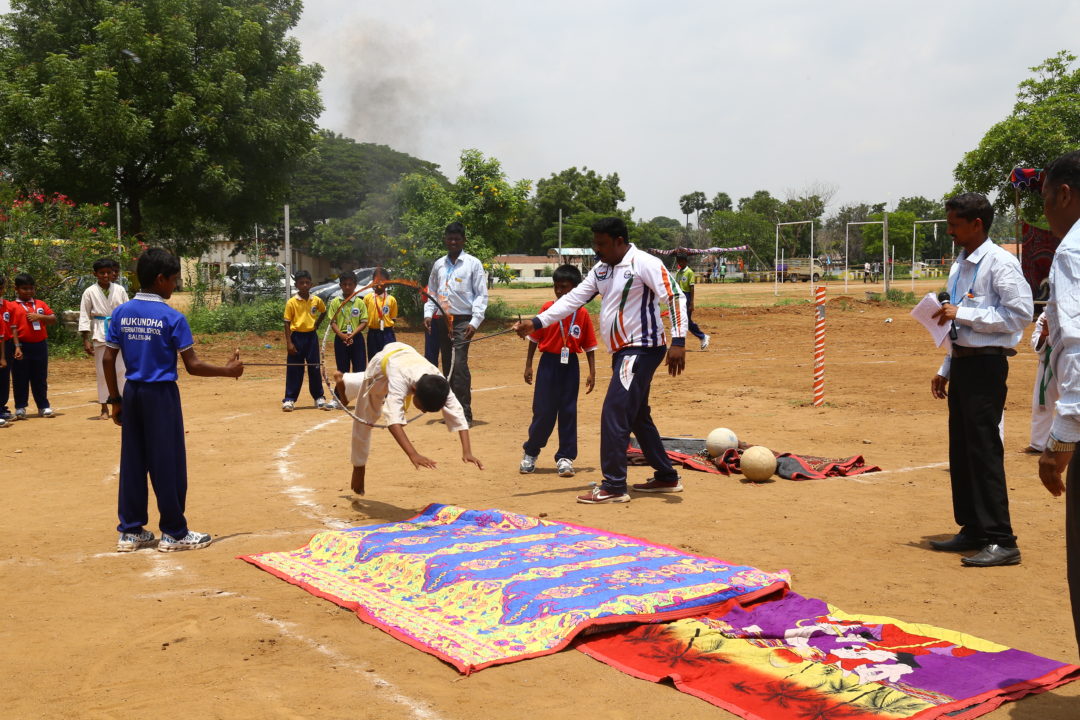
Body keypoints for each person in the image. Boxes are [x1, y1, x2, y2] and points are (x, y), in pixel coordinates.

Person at [513, 216, 688, 504]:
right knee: (637, 416)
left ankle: (615, 485)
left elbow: (674, 297)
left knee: (614, 412)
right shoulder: (602, 269)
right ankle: (666, 477)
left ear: (620, 241)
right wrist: (537, 322)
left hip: (641, 349)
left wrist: (679, 341)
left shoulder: (644, 263)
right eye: (595, 243)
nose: (597, 249)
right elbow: (572, 300)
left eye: (602, 244)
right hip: (622, 352)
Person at [103, 248, 244, 552]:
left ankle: (130, 531)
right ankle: (174, 532)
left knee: (133, 462)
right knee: (168, 463)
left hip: (132, 392)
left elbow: (108, 358)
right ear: (160, 279)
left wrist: (115, 399)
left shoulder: (121, 313)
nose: (176, 285)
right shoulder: (172, 317)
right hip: (161, 396)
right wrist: (228, 371)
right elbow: (192, 366)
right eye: (174, 280)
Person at [929, 192, 1033, 567]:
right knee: (962, 448)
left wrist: (966, 312)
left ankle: (1002, 539)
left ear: (977, 224)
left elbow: (1019, 314)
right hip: (964, 363)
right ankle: (972, 527)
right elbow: (954, 319)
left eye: (955, 224)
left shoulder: (1000, 263)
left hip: (988, 366)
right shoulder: (959, 264)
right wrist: (947, 367)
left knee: (985, 450)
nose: (950, 232)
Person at [332, 341, 483, 495]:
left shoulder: (438, 383)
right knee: (366, 416)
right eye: (423, 407)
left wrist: (467, 451)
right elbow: (393, 422)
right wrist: (413, 454)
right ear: (413, 390)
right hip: (384, 362)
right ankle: (358, 467)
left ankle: (346, 381)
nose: (423, 411)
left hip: (406, 355)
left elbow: (457, 412)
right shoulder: (400, 380)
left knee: (373, 386)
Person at [1036, 149, 1080, 651]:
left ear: (1064, 194)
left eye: (1046, 202)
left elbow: (1079, 350)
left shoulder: (1073, 249)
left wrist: (1062, 439)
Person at [520, 264, 598, 478]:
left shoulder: (582, 314)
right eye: (556, 287)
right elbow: (534, 338)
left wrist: (592, 372)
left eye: (564, 287)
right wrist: (529, 364)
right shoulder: (547, 309)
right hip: (548, 365)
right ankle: (531, 453)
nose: (559, 291)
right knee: (543, 411)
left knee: (568, 412)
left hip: (570, 366)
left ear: (575, 289)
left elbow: (590, 346)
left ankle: (565, 457)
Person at [424, 221, 488, 426]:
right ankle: (451, 412)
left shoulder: (472, 264)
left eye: (457, 239)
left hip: (463, 322)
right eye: (450, 238)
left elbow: (481, 294)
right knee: (448, 366)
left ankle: (465, 414)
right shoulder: (439, 264)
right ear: (445, 239)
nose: (453, 242)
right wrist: (428, 314)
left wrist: (475, 321)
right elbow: (431, 292)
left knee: (459, 365)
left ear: (463, 240)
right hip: (443, 320)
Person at [79, 258, 129, 420]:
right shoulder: (89, 292)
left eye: (109, 272)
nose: (106, 275)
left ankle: (123, 404)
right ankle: (104, 407)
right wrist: (85, 339)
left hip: (119, 332)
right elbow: (84, 315)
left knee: (121, 371)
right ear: (95, 274)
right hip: (100, 332)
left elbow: (127, 311)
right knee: (102, 372)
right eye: (102, 273)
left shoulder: (120, 289)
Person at [283, 269, 331, 412]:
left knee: (314, 367)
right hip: (296, 337)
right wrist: (289, 343)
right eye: (301, 283)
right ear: (296, 285)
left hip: (311, 337)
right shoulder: (292, 302)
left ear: (311, 284)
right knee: (294, 369)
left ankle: (319, 397)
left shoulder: (316, 300)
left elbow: (324, 311)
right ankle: (290, 399)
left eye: (307, 282)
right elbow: (286, 322)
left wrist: (316, 324)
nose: (304, 285)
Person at [11, 273, 57, 418]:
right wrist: (17, 346)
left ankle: (43, 406)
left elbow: (53, 319)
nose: (29, 291)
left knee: (40, 377)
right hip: (21, 346)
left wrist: (40, 317)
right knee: (20, 377)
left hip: (39, 345)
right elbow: (12, 328)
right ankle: (20, 407)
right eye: (24, 288)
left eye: (31, 288)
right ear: (16, 289)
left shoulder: (40, 304)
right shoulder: (12, 306)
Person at [1020, 311, 1055, 455]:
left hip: (1073, 362)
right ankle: (1039, 443)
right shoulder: (1046, 315)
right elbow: (1035, 342)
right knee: (1041, 404)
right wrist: (1044, 334)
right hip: (1048, 362)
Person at [328, 270, 368, 374]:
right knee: (342, 369)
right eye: (344, 284)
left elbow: (363, 322)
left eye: (350, 284)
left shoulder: (360, 302)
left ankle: (358, 390)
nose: (347, 287)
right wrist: (342, 335)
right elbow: (333, 322)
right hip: (341, 339)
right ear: (340, 285)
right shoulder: (335, 302)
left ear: (355, 285)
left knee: (360, 369)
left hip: (356, 338)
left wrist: (352, 335)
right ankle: (342, 390)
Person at [0, 274, 25, 426]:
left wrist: (17, 346)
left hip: (6, 344)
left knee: (4, 377)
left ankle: (2, 407)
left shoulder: (8, 306)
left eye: (1, 287)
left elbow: (13, 328)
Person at [673, 251, 710, 350]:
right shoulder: (678, 272)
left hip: (687, 296)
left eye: (681, 262)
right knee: (681, 321)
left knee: (687, 321)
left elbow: (692, 288)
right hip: (679, 297)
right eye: (678, 262)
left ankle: (702, 336)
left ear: (685, 261)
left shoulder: (689, 272)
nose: (680, 264)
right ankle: (681, 341)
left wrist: (692, 303)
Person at [365, 270, 398, 357]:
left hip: (387, 333)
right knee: (374, 358)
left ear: (387, 283)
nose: (379, 283)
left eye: (382, 281)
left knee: (388, 358)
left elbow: (393, 318)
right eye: (377, 280)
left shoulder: (391, 299)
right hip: (372, 334)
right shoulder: (367, 298)